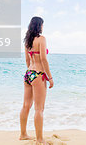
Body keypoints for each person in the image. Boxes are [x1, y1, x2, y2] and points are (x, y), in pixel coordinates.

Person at [19, 16, 54, 145]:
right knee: (39, 109)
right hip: (38, 75)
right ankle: (39, 139)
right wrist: (49, 78)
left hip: (28, 74)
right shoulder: (41, 39)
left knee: (26, 105)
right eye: (42, 25)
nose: (43, 27)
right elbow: (44, 59)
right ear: (39, 26)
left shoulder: (27, 41)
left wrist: (32, 71)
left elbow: (27, 61)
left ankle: (23, 134)